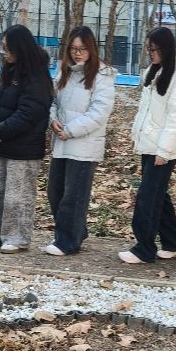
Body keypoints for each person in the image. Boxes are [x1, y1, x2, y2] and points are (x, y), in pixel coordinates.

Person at [119, 27, 176, 264]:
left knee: (148, 197)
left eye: (154, 49)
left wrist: (164, 151)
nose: (150, 53)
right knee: (157, 194)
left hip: (163, 149)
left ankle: (144, 248)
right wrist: (137, 135)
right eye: (148, 49)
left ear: (165, 49)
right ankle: (175, 242)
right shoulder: (152, 72)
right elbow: (146, 111)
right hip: (150, 143)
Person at [0, 25, 53, 254]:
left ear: (20, 48)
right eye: (2, 47)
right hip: (1, 144)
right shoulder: (10, 69)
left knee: (17, 196)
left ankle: (17, 237)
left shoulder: (36, 76)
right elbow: (8, 102)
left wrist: (1, 131)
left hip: (23, 149)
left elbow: (31, 111)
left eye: (7, 48)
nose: (3, 52)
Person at [44, 26, 116, 255]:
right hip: (62, 140)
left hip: (84, 145)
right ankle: (76, 231)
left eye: (82, 49)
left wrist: (70, 130)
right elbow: (53, 100)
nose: (77, 54)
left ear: (91, 49)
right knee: (55, 191)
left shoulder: (103, 76)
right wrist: (53, 120)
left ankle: (68, 242)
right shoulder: (65, 71)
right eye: (73, 49)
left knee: (74, 196)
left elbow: (99, 112)